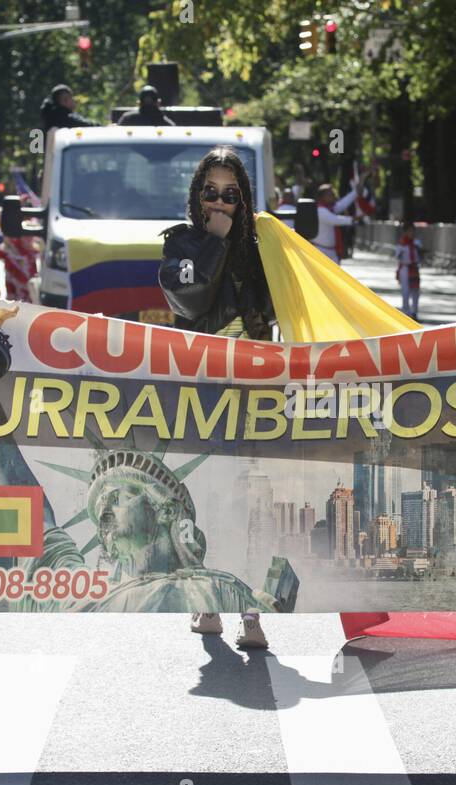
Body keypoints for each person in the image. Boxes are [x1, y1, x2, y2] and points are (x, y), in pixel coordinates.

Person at [158, 145, 276, 648]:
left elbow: (283, 311)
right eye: (212, 193)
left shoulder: (262, 248)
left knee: (248, 503)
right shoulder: (180, 246)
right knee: (201, 500)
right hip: (200, 391)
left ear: (244, 198)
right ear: (197, 195)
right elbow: (191, 297)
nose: (221, 203)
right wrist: (216, 242)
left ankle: (251, 611)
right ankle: (207, 604)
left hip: (253, 392)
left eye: (231, 194)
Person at [312, 175, 366, 265]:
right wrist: (353, 219)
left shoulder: (331, 208)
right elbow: (334, 220)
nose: (334, 195)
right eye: (331, 194)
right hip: (320, 251)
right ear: (322, 197)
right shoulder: (320, 210)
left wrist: (361, 181)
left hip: (332, 251)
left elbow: (345, 202)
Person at [0, 207, 41, 303]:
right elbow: (0, 253)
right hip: (16, 275)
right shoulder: (13, 236)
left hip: (26, 276)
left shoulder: (26, 229)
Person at [394, 220, 422, 320]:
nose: (411, 233)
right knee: (405, 291)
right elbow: (397, 256)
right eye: (409, 231)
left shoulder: (416, 243)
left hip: (414, 268)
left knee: (415, 291)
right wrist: (401, 249)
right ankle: (406, 312)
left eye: (412, 231)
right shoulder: (401, 243)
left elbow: (420, 255)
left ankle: (414, 312)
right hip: (405, 269)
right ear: (405, 232)